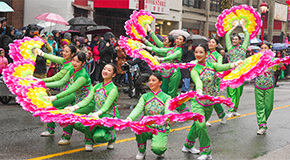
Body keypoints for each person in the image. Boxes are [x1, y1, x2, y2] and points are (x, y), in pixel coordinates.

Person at [182, 44, 243, 160]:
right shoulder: (195, 69)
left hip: (210, 101)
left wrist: (235, 64)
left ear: (206, 54)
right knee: (200, 124)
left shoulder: (212, 65)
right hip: (198, 100)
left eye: (201, 52)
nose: (198, 55)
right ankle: (206, 152)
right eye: (196, 52)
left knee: (197, 126)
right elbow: (197, 80)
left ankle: (188, 145)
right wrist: (199, 90)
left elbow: (223, 66)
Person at [64, 63, 119, 151]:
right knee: (75, 122)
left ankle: (111, 136)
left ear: (113, 75)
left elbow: (106, 106)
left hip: (109, 117)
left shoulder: (113, 89)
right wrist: (73, 108)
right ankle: (89, 140)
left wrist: (97, 113)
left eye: (109, 70)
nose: (105, 71)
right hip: (96, 116)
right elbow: (87, 100)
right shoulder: (97, 86)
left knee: (98, 136)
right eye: (104, 69)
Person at [40, 52, 93, 142]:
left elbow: (70, 90)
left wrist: (54, 97)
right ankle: (59, 133)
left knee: (70, 117)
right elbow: (60, 82)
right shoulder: (72, 70)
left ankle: (91, 134)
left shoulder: (82, 76)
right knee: (64, 113)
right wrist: (41, 83)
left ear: (83, 63)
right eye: (73, 60)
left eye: (78, 61)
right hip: (77, 99)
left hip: (86, 102)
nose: (74, 63)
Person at [125, 73, 173, 159]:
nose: (150, 83)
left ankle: (160, 149)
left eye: (153, 80)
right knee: (138, 128)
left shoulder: (166, 97)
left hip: (160, 127)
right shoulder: (145, 96)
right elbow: (138, 108)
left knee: (158, 150)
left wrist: (169, 117)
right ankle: (141, 151)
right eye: (149, 81)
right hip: (147, 126)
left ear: (160, 83)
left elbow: (168, 109)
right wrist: (129, 118)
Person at [142, 26, 189, 113]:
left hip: (174, 72)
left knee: (172, 93)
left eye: (180, 39)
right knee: (164, 92)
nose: (178, 40)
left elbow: (173, 56)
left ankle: (170, 111)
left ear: (183, 42)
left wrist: (162, 59)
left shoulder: (178, 50)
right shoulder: (170, 48)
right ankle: (181, 109)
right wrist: (146, 40)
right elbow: (157, 48)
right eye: (177, 38)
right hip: (164, 72)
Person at [254, 43, 281, 135]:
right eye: (261, 48)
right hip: (258, 85)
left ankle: (263, 120)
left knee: (269, 106)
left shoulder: (273, 60)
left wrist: (280, 61)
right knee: (260, 106)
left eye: (265, 48)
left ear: (269, 49)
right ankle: (262, 125)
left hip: (269, 85)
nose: (263, 49)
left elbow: (280, 65)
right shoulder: (257, 60)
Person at [225, 21, 249, 117]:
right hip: (231, 72)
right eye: (233, 39)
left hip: (240, 72)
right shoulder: (230, 48)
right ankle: (230, 109)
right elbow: (227, 35)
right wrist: (234, 27)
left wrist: (243, 26)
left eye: (236, 39)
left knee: (239, 91)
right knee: (231, 91)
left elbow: (247, 36)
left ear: (240, 40)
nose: (234, 40)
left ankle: (235, 109)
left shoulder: (243, 48)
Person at [205, 38, 228, 127]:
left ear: (217, 45)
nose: (210, 44)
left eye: (213, 42)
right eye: (210, 42)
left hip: (214, 79)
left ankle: (206, 118)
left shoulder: (218, 56)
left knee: (210, 98)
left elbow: (219, 67)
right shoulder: (205, 54)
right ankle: (222, 114)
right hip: (204, 79)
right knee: (211, 99)